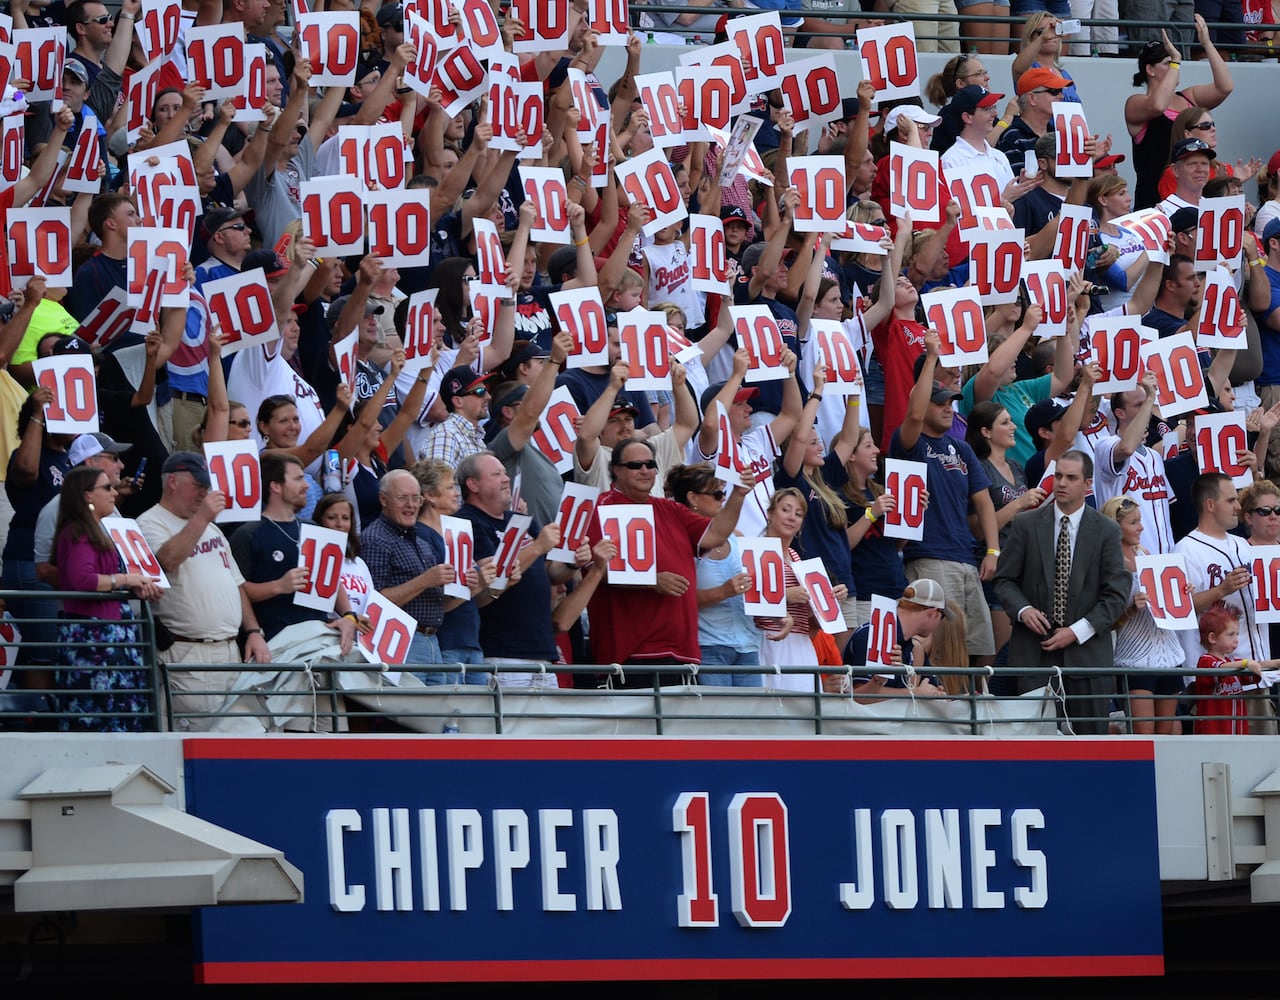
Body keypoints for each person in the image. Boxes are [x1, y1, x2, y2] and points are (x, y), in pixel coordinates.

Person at [585, 437, 754, 688]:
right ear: (616, 470)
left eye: (650, 464)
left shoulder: (669, 509)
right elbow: (596, 570)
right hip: (630, 653)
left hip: (682, 651)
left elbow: (716, 533)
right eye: (635, 465)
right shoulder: (601, 507)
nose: (644, 470)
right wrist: (653, 580)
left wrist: (738, 494)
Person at [993, 449, 1132, 735]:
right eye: (1058, 476)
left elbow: (1116, 594)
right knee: (1032, 750)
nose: (1061, 483)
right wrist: (1023, 610)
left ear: (1087, 484)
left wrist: (1077, 631)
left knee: (1090, 752)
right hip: (1033, 655)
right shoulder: (1026, 524)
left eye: (1071, 477)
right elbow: (1004, 580)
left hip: (1087, 657)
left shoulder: (1106, 530)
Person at [137, 452, 273, 731]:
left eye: (206, 486)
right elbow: (165, 562)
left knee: (237, 742)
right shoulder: (150, 522)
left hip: (229, 652)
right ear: (172, 481)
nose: (205, 492)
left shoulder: (211, 528)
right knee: (194, 743)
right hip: (187, 652)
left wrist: (254, 632)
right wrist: (202, 518)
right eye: (198, 485)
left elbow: (235, 582)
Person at [892, 332, 1001, 665]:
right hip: (928, 556)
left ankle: (974, 706)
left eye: (951, 404)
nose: (947, 409)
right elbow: (912, 416)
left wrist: (993, 551)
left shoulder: (963, 448)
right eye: (938, 404)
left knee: (982, 647)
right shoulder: (908, 442)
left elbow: (983, 502)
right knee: (940, 645)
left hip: (967, 558)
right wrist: (930, 358)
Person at [52, 465, 163, 732]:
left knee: (121, 715)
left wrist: (135, 584)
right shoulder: (77, 532)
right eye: (107, 488)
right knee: (99, 717)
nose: (114, 492)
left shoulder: (98, 529)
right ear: (87, 496)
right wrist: (126, 580)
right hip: (93, 641)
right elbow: (83, 580)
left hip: (110, 635)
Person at [454, 451, 579, 687]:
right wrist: (538, 546)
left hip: (541, 650)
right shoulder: (467, 521)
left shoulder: (520, 520)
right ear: (473, 484)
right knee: (511, 722)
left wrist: (573, 563)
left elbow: (552, 574)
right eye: (496, 474)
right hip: (502, 651)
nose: (506, 478)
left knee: (544, 723)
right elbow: (494, 578)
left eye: (505, 472)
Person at [230, 451, 360, 653]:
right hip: (276, 644)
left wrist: (349, 616)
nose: (307, 485)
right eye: (298, 479)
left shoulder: (315, 528)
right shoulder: (248, 534)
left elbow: (332, 580)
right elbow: (238, 590)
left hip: (319, 640)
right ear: (276, 486)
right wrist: (278, 586)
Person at [666, 463, 762, 687]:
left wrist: (777, 616)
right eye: (717, 494)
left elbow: (758, 590)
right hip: (709, 648)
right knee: (717, 720)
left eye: (724, 493)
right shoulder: (681, 542)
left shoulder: (737, 537)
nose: (723, 500)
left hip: (748, 646)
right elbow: (679, 598)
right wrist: (723, 591)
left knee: (753, 720)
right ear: (694, 498)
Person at [1124, 20, 1235, 211]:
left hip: (1195, 200)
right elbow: (1157, 105)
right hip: (1154, 205)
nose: (1176, 68)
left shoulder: (1188, 97)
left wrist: (1207, 43)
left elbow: (1225, 87)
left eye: (1176, 64)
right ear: (1150, 70)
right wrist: (1176, 60)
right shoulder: (1136, 102)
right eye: (1168, 64)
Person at [360, 469, 457, 682]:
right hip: (401, 643)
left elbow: (440, 603)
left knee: (438, 714)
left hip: (432, 642)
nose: (411, 505)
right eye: (402, 498)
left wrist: (471, 586)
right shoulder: (375, 539)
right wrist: (425, 580)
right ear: (383, 499)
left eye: (416, 498)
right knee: (413, 713)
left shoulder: (420, 542)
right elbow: (374, 603)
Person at [1101, 495, 1186, 735]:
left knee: (1167, 729)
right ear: (1115, 525)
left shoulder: (1147, 555)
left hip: (1169, 653)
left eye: (1140, 521)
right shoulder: (1108, 565)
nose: (1141, 527)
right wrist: (1130, 609)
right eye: (1134, 523)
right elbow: (1106, 619)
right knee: (1143, 731)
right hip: (1135, 656)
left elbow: (1170, 603)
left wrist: (1181, 591)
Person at [1174, 472, 1270, 677]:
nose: (1238, 506)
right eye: (1231, 500)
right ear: (1210, 504)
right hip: (1218, 677)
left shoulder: (1243, 545)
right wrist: (1221, 590)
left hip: (1258, 666)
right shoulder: (1186, 550)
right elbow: (1180, 611)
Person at [756, 488, 842, 693]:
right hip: (771, 638)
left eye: (798, 514)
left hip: (801, 641)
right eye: (785, 509)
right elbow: (748, 597)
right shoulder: (757, 549)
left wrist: (828, 599)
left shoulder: (795, 556)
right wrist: (786, 595)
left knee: (805, 709)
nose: (791, 517)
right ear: (770, 514)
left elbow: (809, 613)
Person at [842, 579, 951, 703]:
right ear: (933, 613)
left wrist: (935, 694)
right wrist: (915, 693)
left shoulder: (912, 646)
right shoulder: (872, 634)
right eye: (942, 617)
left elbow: (927, 688)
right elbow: (857, 697)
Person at [842, 427, 908, 629]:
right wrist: (871, 515)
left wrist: (912, 515)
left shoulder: (882, 491)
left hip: (896, 587)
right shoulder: (838, 495)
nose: (877, 451)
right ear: (851, 455)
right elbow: (843, 544)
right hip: (865, 591)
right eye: (868, 446)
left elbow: (896, 545)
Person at [1192, 603, 1265, 735]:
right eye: (1231, 635)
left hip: (1237, 731)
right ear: (1212, 638)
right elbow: (1220, 669)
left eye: (1237, 634)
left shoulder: (1232, 661)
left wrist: (1276, 663)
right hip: (1214, 732)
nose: (1236, 640)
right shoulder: (1205, 661)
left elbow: (1257, 664)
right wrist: (1245, 663)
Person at [313, 493, 376, 617]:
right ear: (320, 520)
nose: (339, 524)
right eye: (332, 517)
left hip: (357, 633)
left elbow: (371, 606)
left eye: (345, 518)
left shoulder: (359, 563)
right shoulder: (314, 559)